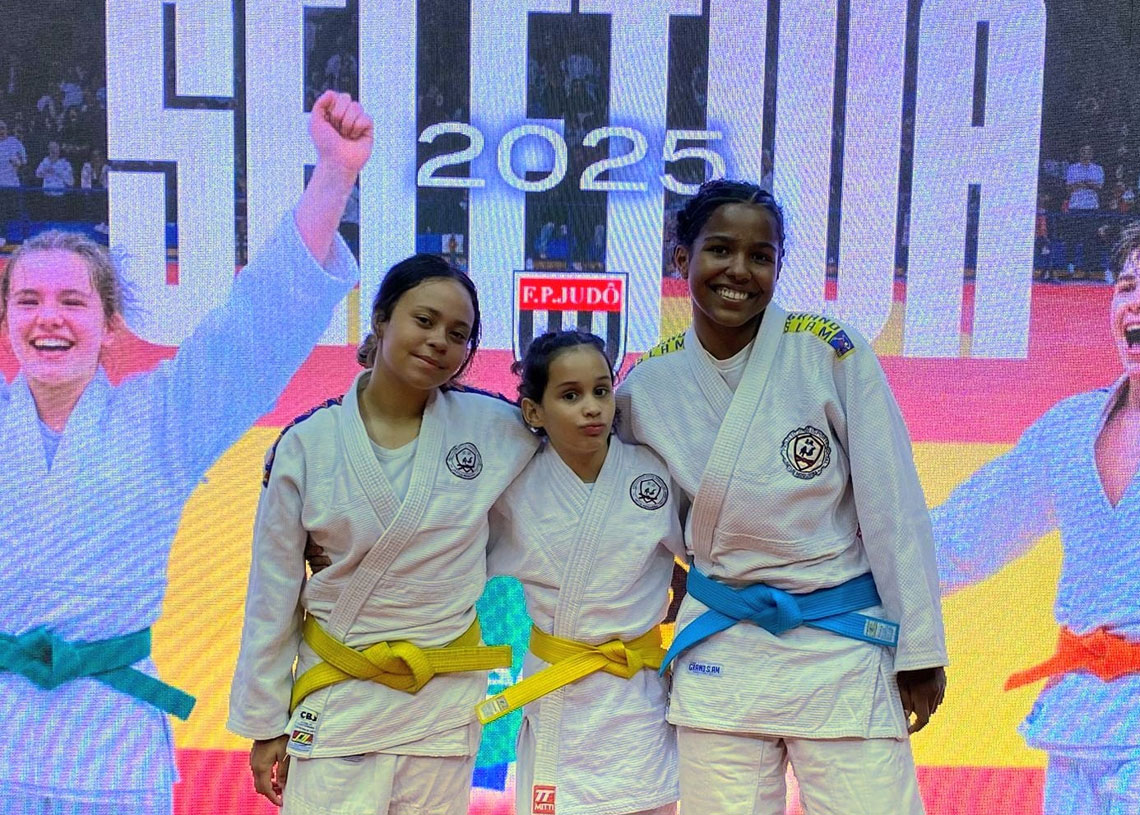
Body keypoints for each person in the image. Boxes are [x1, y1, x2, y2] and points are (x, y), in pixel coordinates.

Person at [0, 89, 369, 815]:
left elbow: (258, 327)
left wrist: (334, 174)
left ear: (110, 324)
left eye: (72, 301)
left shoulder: (163, 419)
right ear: (7, 317)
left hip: (112, 757)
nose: (49, 318)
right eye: (27, 300)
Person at [616, 179, 948, 814]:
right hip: (722, 646)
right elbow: (632, 517)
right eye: (720, 250)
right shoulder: (646, 386)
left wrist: (920, 649)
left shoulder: (828, 353)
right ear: (682, 259)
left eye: (760, 256)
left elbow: (894, 508)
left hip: (840, 643)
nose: (739, 270)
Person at [227, 254, 539, 815]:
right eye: (425, 320)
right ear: (380, 319)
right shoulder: (306, 445)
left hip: (438, 706)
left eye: (458, 334)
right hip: (338, 694)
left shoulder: (498, 428)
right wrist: (265, 722)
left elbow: (578, 458)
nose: (440, 341)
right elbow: (272, 594)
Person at [932, 221, 1140, 814]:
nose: (1135, 302)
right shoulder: (1070, 430)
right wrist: (835, 566)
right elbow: (959, 538)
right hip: (1080, 720)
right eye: (1127, 286)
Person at [482, 330, 683, 815]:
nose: (592, 408)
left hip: (637, 695)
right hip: (559, 695)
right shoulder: (512, 483)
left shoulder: (655, 473)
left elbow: (712, 556)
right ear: (534, 411)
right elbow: (446, 555)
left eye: (601, 391)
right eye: (570, 396)